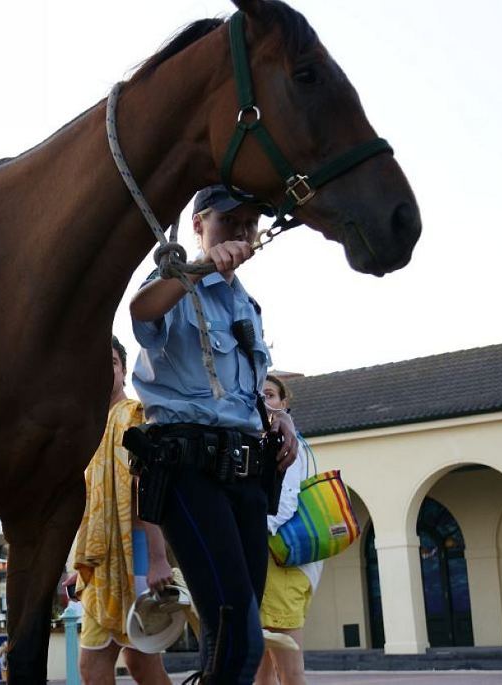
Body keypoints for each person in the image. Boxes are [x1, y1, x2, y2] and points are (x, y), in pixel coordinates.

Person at [128, 185, 298, 685]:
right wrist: (200, 267)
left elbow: (245, 389)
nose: (242, 234)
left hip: (246, 475)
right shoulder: (176, 278)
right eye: (228, 223)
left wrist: (277, 417)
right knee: (235, 633)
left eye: (249, 224)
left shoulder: (247, 304)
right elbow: (143, 309)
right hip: (190, 471)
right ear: (199, 225)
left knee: (241, 642)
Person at [73, 336, 172, 685]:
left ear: (124, 371)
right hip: (104, 565)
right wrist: (83, 562)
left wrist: (159, 559)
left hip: (139, 559)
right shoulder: (88, 429)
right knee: (131, 663)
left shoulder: (135, 416)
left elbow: (146, 490)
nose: (105, 369)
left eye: (112, 362)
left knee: (125, 663)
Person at [255, 375, 322, 685]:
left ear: (284, 404)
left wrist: (249, 531)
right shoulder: (258, 443)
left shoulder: (285, 444)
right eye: (258, 395)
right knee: (263, 671)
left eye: (270, 395)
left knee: (290, 672)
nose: (263, 401)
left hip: (281, 564)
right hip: (269, 564)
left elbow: (285, 503)